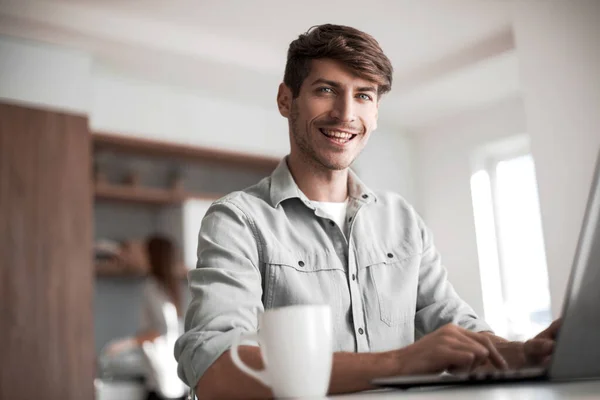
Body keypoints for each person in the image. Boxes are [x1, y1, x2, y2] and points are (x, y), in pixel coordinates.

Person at [174, 24, 560, 399]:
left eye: (363, 95)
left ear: (375, 111)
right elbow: (217, 373)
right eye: (326, 90)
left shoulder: (401, 219)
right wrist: (399, 362)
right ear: (286, 100)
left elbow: (452, 322)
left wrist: (522, 353)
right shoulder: (238, 220)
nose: (345, 114)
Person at [105, 235, 186, 400]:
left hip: (162, 374)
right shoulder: (170, 288)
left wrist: (124, 344)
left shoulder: (151, 288)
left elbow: (161, 329)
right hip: (173, 375)